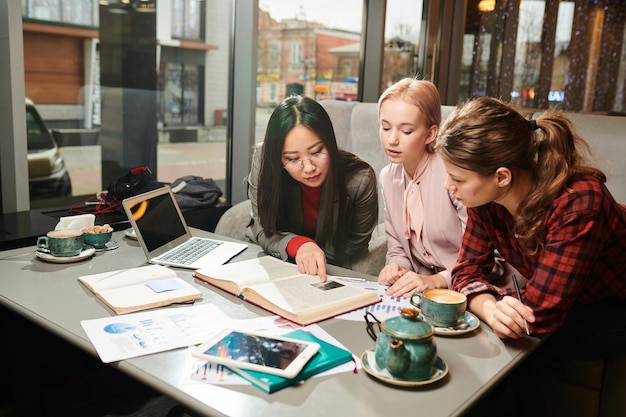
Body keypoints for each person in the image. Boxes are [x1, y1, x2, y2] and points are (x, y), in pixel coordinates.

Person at [435, 96, 626, 416]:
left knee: (524, 352)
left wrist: (491, 306)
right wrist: (490, 307)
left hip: (613, 306)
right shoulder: (485, 200)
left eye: (457, 179)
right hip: (560, 299)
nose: (447, 186)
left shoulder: (579, 200)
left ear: (501, 177)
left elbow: (538, 314)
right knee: (480, 332)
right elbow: (465, 270)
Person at [246, 95, 378, 282]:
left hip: (328, 270)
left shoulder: (359, 180)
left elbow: (355, 245)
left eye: (317, 152)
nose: (309, 168)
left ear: (330, 143)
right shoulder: (264, 161)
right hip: (273, 259)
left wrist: (314, 257)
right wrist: (300, 246)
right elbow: (262, 229)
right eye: (292, 159)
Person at [377, 78, 467, 297]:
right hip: (419, 293)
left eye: (406, 131)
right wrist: (395, 267)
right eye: (385, 127)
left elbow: (486, 255)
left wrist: (438, 280)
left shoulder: (453, 176)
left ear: (430, 134)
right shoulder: (388, 177)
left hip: (468, 287)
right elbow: (398, 247)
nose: (392, 140)